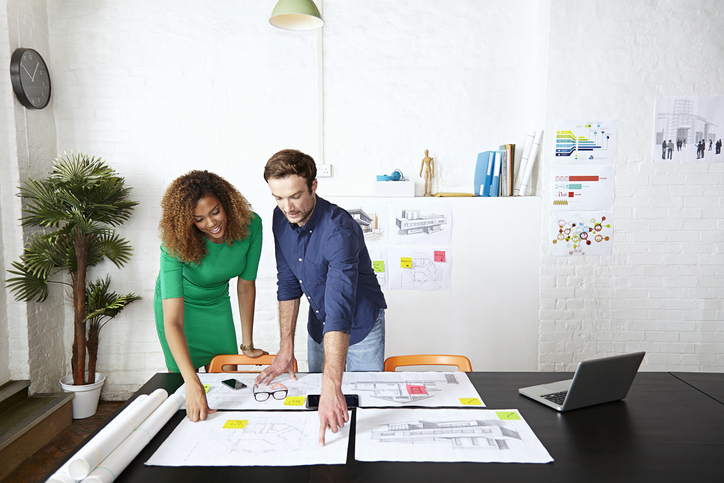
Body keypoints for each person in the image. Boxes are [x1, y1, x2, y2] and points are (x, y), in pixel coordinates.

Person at [256, 149, 387, 446]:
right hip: (319, 326)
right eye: (278, 197)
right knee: (323, 401)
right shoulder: (280, 219)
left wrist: (332, 383)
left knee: (361, 404)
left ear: (314, 186)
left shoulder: (340, 230)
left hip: (361, 326)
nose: (287, 206)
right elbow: (288, 283)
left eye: (295, 195)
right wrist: (285, 347)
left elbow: (340, 307)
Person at [154, 170, 266, 422]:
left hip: (216, 302)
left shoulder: (251, 226)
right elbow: (173, 321)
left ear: (226, 204)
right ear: (187, 221)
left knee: (228, 383)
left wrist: (246, 344)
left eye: (215, 211)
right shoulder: (174, 245)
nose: (211, 223)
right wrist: (192, 382)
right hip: (179, 309)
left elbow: (246, 286)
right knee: (188, 387)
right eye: (199, 219)